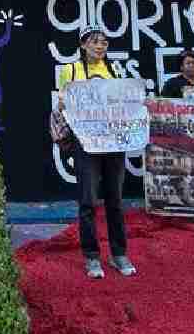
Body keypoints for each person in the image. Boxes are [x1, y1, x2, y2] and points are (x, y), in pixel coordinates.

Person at [57, 25, 136, 279]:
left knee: (115, 200)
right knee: (88, 201)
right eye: (94, 41)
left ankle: (119, 254)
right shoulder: (71, 70)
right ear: (83, 45)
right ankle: (91, 257)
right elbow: (64, 102)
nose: (100, 46)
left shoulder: (115, 70)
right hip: (86, 144)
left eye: (104, 42)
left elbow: (124, 102)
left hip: (113, 143)